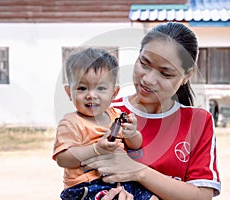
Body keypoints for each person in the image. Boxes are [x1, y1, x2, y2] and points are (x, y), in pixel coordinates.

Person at [82, 22, 221, 200]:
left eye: (165, 73)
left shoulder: (198, 121)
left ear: (187, 75)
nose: (148, 79)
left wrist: (136, 170)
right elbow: (79, 181)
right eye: (144, 63)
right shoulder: (106, 113)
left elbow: (202, 196)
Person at [52, 48, 158, 200]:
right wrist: (96, 149)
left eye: (101, 88)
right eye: (82, 88)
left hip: (121, 179)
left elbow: (135, 145)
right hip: (86, 186)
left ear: (114, 93)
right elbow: (63, 159)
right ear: (69, 92)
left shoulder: (116, 116)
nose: (91, 95)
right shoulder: (71, 123)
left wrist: (132, 133)